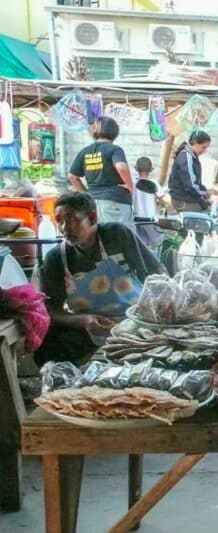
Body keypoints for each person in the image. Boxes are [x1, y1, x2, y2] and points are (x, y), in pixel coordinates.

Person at [34, 193, 165, 366]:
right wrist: (84, 320)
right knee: (47, 344)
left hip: (135, 322)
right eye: (59, 220)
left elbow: (158, 275)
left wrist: (144, 315)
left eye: (72, 219)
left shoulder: (116, 235)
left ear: (93, 217)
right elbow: (50, 309)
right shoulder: (56, 257)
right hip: (89, 328)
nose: (65, 227)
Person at [67, 117, 134, 228]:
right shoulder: (114, 149)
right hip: (114, 201)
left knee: (100, 238)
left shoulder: (85, 151)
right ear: (115, 132)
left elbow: (72, 176)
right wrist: (129, 185)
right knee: (121, 238)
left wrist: (85, 194)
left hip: (93, 204)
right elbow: (121, 167)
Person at [168, 130, 212, 213]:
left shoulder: (190, 156)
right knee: (209, 213)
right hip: (182, 200)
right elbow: (191, 184)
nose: (205, 150)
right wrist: (205, 193)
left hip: (185, 197)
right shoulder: (186, 157)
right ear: (195, 143)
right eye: (203, 147)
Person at [132, 157, 163, 249]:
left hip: (137, 219)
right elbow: (161, 200)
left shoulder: (133, 183)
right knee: (159, 242)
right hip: (150, 219)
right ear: (151, 169)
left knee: (142, 245)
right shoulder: (154, 183)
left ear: (136, 168)